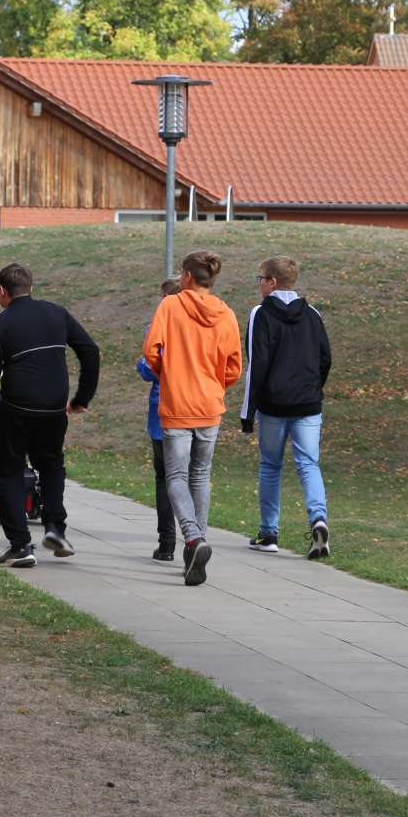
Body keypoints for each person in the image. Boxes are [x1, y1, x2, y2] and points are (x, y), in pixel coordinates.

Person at [0, 263, 100, 568]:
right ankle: (55, 528)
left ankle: (20, 545)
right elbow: (90, 351)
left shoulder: (0, 324)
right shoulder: (58, 313)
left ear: (1, 292)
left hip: (16, 409)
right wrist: (82, 398)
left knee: (8, 473)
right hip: (54, 408)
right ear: (32, 286)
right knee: (52, 466)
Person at [142, 251, 242, 586]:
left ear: (187, 276)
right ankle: (195, 547)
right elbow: (233, 366)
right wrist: (215, 385)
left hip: (178, 405)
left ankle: (193, 538)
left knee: (175, 477)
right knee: (200, 476)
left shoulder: (170, 307)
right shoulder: (226, 314)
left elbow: (151, 351)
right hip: (210, 406)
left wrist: (169, 375)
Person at [239, 255, 332, 560]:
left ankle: (269, 533)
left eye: (260, 279)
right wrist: (313, 388)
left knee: (270, 466)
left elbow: (257, 363)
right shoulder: (313, 314)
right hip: (308, 404)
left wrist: (247, 413)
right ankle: (318, 519)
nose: (259, 284)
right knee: (309, 464)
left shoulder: (260, 314)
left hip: (274, 405)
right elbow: (324, 358)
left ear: (272, 282)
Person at [135, 277, 183, 562]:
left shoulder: (161, 325)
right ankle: (194, 538)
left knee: (165, 478)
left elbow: (150, 368)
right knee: (192, 476)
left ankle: (167, 542)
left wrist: (141, 364)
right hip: (197, 408)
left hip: (163, 409)